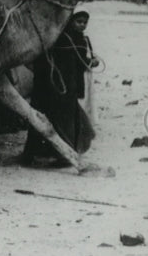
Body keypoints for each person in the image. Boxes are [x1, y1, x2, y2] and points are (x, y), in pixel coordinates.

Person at [20, 9, 99, 166]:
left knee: (64, 119)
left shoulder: (78, 40)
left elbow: (79, 62)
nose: (82, 25)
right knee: (57, 118)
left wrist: (89, 62)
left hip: (66, 86)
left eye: (84, 23)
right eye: (79, 22)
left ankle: (59, 154)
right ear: (69, 22)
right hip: (56, 86)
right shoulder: (61, 38)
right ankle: (53, 154)